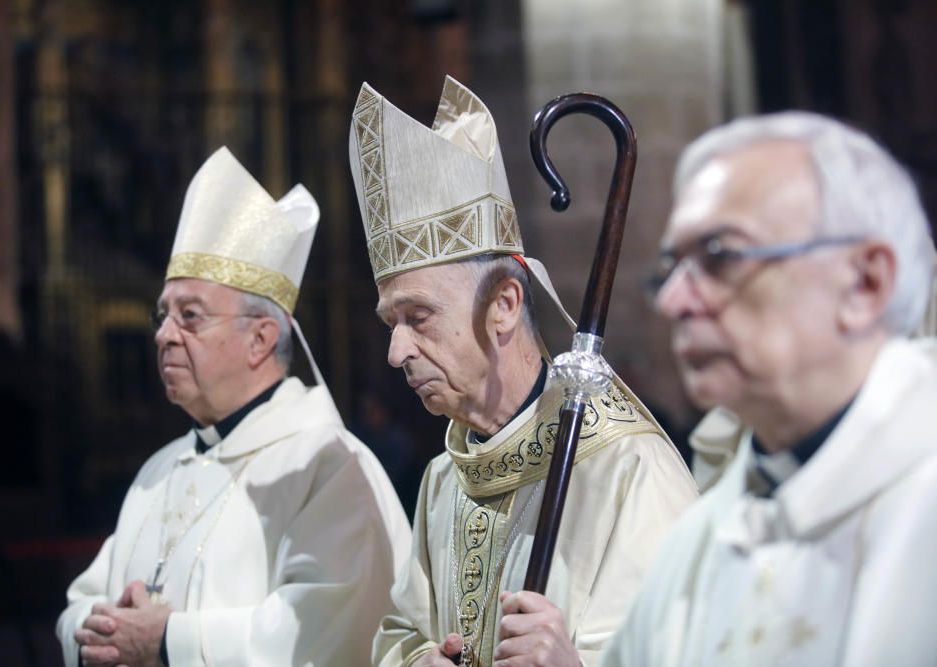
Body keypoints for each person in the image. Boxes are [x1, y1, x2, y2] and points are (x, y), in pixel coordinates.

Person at [348, 76, 698, 667]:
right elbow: (400, 634)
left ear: (505, 305)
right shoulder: (444, 480)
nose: (397, 350)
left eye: (419, 317)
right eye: (391, 322)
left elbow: (695, 647)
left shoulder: (626, 469)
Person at [601, 112, 937, 666]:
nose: (673, 302)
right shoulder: (698, 546)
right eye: (672, 267)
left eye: (722, 256)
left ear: (864, 283)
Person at [56, 147, 412, 667]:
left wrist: (165, 641)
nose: (163, 335)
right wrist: (102, 632)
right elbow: (79, 603)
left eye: (190, 316)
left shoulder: (327, 466)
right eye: (163, 315)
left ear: (260, 339)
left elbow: (319, 635)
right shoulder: (161, 469)